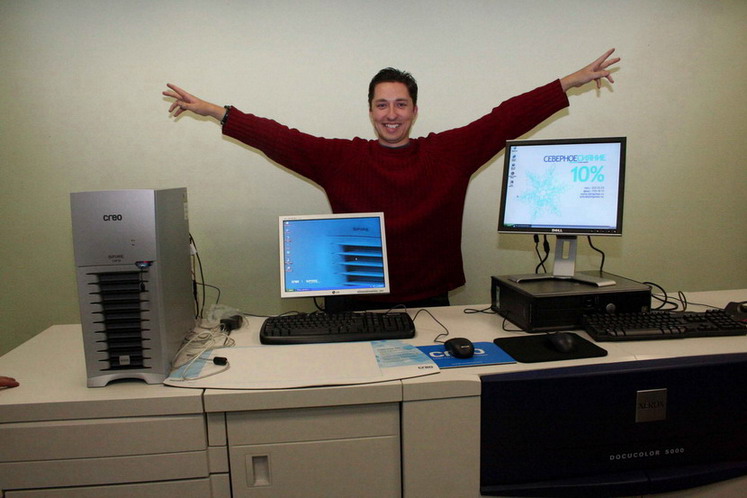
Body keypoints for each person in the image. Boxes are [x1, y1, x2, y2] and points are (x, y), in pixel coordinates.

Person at [164, 49, 619, 310]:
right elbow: (281, 139)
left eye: (401, 104)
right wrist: (217, 112)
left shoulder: (448, 153)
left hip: (429, 305)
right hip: (354, 301)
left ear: (415, 111)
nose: (391, 114)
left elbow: (504, 119)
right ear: (370, 111)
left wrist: (567, 83)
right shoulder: (342, 159)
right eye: (382, 105)